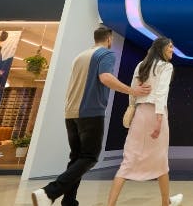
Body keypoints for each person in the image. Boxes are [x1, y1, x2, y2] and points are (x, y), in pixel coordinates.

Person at [32, 25, 152, 206]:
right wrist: (132, 90)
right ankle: (49, 192)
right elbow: (105, 78)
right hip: (90, 112)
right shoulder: (106, 54)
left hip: (70, 113)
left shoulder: (80, 56)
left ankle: (69, 200)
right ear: (109, 39)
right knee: (89, 157)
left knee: (77, 158)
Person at [107, 37, 182, 206]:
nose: (172, 49)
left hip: (140, 114)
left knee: (128, 160)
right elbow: (161, 93)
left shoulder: (141, 65)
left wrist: (133, 108)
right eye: (170, 46)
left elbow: (133, 91)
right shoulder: (166, 66)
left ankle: (110, 204)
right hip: (157, 114)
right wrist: (158, 119)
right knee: (161, 160)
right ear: (161, 48)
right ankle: (165, 202)